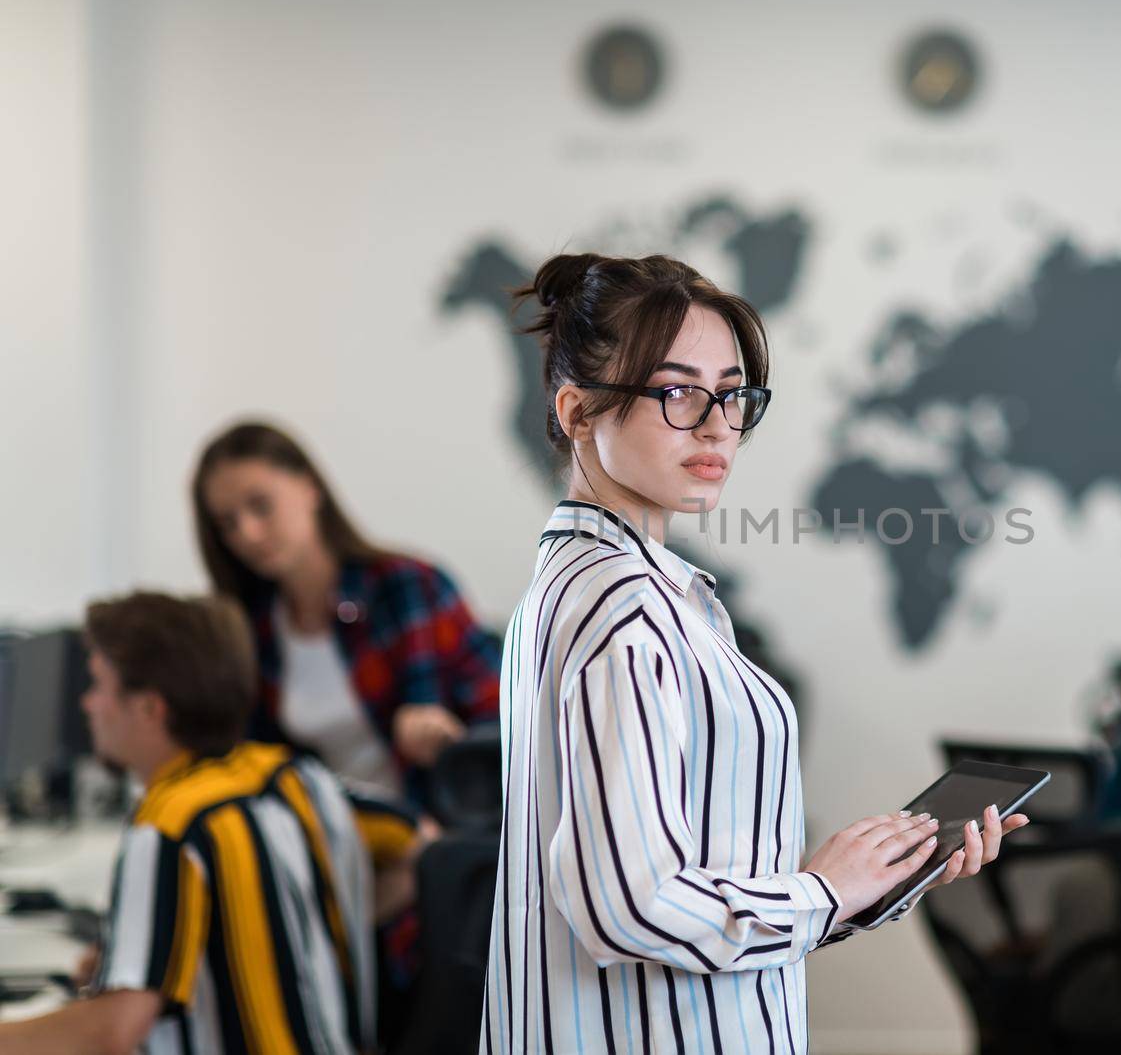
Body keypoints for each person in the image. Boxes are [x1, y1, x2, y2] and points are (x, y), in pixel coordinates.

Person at [480, 253, 1027, 1054]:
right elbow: (625, 904)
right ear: (576, 410)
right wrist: (819, 890)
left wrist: (862, 885)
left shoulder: (610, 591)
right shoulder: (619, 610)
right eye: (676, 392)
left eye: (732, 395)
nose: (715, 426)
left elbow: (681, 887)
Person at [0, 592, 418, 1055]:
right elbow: (422, 848)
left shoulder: (170, 823)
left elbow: (113, 1031)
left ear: (150, 709)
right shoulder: (295, 777)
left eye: (98, 683)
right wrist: (306, 925)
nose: (86, 703)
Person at [191, 420, 501, 806]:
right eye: (227, 523)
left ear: (310, 488)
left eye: (260, 505)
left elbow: (510, 719)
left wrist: (448, 738)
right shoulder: (252, 628)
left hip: (436, 837)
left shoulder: (407, 586)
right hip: (324, 845)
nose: (247, 534)